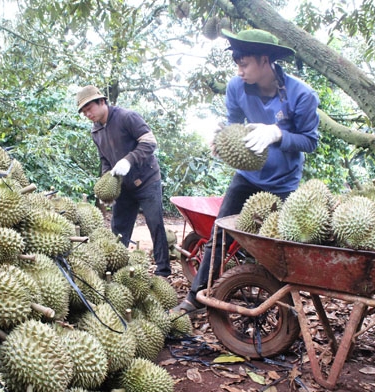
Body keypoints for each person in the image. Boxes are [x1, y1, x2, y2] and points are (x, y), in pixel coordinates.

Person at [172, 28, 320, 313]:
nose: (239, 71)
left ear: (266, 60)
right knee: (219, 235)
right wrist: (222, 139)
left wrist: (278, 133)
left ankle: (281, 305)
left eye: (244, 64)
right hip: (247, 178)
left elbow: (310, 141)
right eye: (237, 65)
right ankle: (195, 298)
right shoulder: (236, 88)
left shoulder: (301, 95)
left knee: (278, 247)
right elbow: (233, 125)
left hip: (283, 184)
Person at [76, 85, 171, 277]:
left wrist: (129, 160)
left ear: (102, 102)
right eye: (84, 112)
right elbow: (104, 160)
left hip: (147, 180)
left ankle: (163, 270)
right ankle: (116, 270)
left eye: (89, 108)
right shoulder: (96, 131)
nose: (87, 114)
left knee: (155, 224)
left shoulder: (127, 117)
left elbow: (149, 142)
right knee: (118, 229)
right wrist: (107, 186)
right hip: (123, 186)